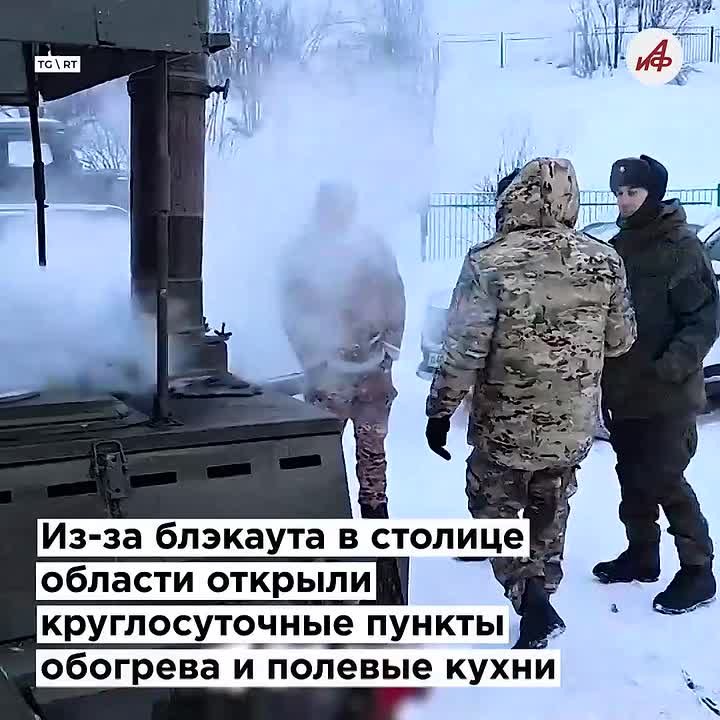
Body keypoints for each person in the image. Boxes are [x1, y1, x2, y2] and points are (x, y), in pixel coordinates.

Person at [424, 157, 637, 649]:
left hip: (505, 426)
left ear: (514, 198)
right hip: (571, 424)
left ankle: (530, 596)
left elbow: (464, 349)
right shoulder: (604, 261)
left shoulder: (489, 262)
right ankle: (542, 590)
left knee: (493, 507)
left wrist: (440, 410)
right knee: (550, 509)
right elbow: (621, 340)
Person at [593, 154, 720, 614]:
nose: (624, 201)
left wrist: (668, 368)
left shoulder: (681, 248)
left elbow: (703, 320)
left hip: (667, 393)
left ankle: (698, 570)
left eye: (633, 192)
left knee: (666, 479)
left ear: (654, 194)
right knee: (631, 476)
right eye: (619, 193)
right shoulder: (619, 247)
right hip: (624, 389)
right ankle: (642, 553)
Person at [278, 181, 406, 520]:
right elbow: (292, 313)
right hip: (328, 374)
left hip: (373, 373)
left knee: (373, 453)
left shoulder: (373, 248)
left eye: (346, 206)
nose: (340, 214)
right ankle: (325, 519)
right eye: (333, 206)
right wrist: (313, 361)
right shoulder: (303, 253)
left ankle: (375, 518)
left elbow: (396, 299)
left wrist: (389, 353)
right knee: (321, 452)